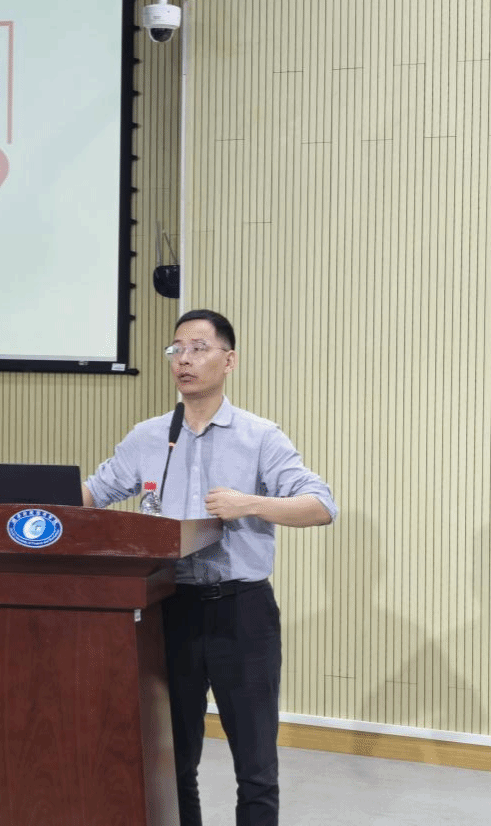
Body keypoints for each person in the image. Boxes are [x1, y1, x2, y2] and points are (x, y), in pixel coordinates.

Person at [82, 309, 337, 826]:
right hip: (168, 609)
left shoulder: (260, 436)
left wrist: (250, 503)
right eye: (176, 349)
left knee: (256, 766)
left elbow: (321, 506)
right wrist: (31, 505)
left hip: (241, 613)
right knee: (173, 760)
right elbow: (94, 493)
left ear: (229, 360)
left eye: (198, 348)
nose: (184, 360)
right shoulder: (149, 436)